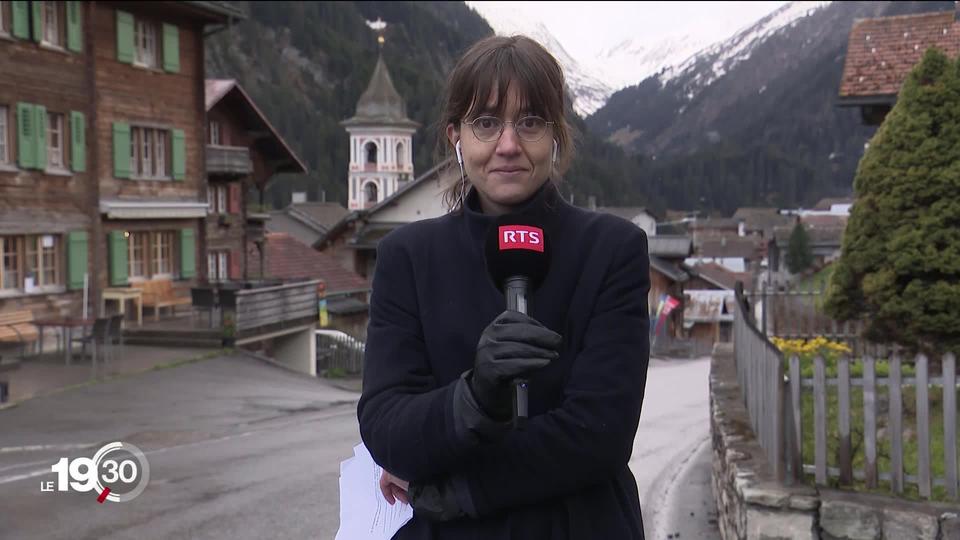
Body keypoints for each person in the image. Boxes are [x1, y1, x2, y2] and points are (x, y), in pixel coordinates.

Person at [357, 34, 651, 539]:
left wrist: (459, 488)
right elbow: (386, 425)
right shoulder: (407, 257)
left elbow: (599, 433)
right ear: (457, 135)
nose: (508, 145)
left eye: (530, 122)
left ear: (555, 134)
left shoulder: (612, 249)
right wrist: (473, 398)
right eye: (486, 123)